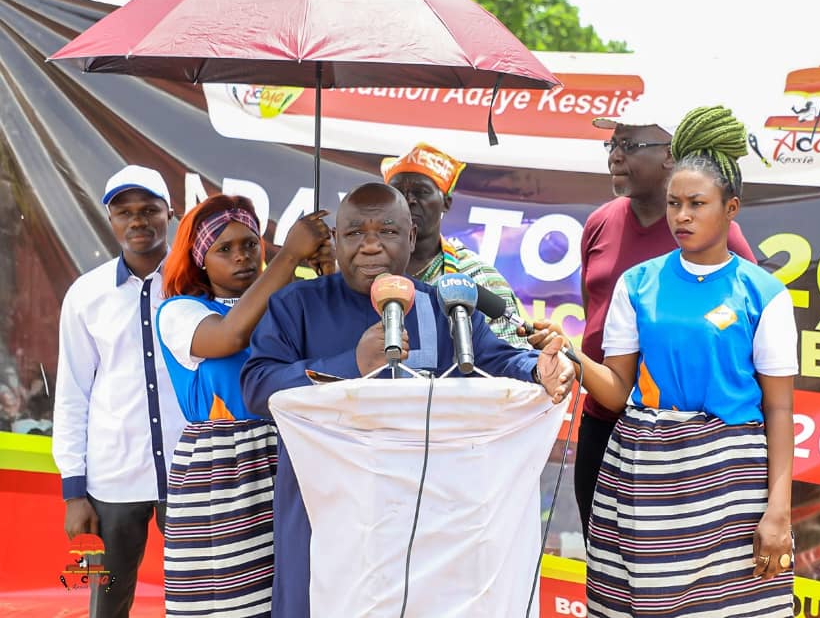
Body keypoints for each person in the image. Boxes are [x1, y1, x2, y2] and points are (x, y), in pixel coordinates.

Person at [239, 183, 576, 618]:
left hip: (426, 520)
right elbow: (258, 386)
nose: (371, 245)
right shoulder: (296, 305)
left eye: (388, 231)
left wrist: (538, 370)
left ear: (412, 238)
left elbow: (500, 360)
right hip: (324, 514)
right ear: (336, 240)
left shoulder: (445, 306)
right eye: (355, 233)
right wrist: (350, 363)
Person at [576, 105, 797, 617]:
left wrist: (779, 510)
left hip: (732, 480)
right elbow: (616, 391)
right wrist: (568, 355)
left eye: (697, 204)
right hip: (642, 473)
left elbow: (780, 409)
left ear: (731, 208)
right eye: (675, 203)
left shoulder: (764, 294)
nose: (682, 216)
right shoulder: (638, 284)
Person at [573, 94, 759, 537]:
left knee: (671, 562)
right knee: (604, 556)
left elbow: (746, 334)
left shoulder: (720, 237)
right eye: (612, 144)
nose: (615, 155)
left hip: (680, 435)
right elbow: (594, 316)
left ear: (671, 155)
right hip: (602, 422)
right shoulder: (599, 222)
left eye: (630, 145)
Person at [155, 195, 332, 617]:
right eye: (225, 249)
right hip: (223, 471)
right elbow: (229, 336)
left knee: (297, 588)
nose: (242, 257)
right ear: (200, 260)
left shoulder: (286, 301)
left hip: (291, 453)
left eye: (250, 244)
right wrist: (290, 256)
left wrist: (330, 273)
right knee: (231, 598)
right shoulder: (179, 311)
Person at [52, 165, 187, 618]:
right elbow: (73, 392)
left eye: (149, 209)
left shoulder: (195, 283)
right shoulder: (85, 295)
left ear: (170, 213)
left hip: (189, 469)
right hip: (113, 477)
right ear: (110, 219)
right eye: (124, 212)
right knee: (107, 601)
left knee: (199, 594)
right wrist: (74, 491)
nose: (137, 221)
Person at [381, 141, 529, 347]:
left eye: (421, 191)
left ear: (446, 202)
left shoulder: (477, 276)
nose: (409, 200)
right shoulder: (368, 268)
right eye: (397, 192)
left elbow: (511, 354)